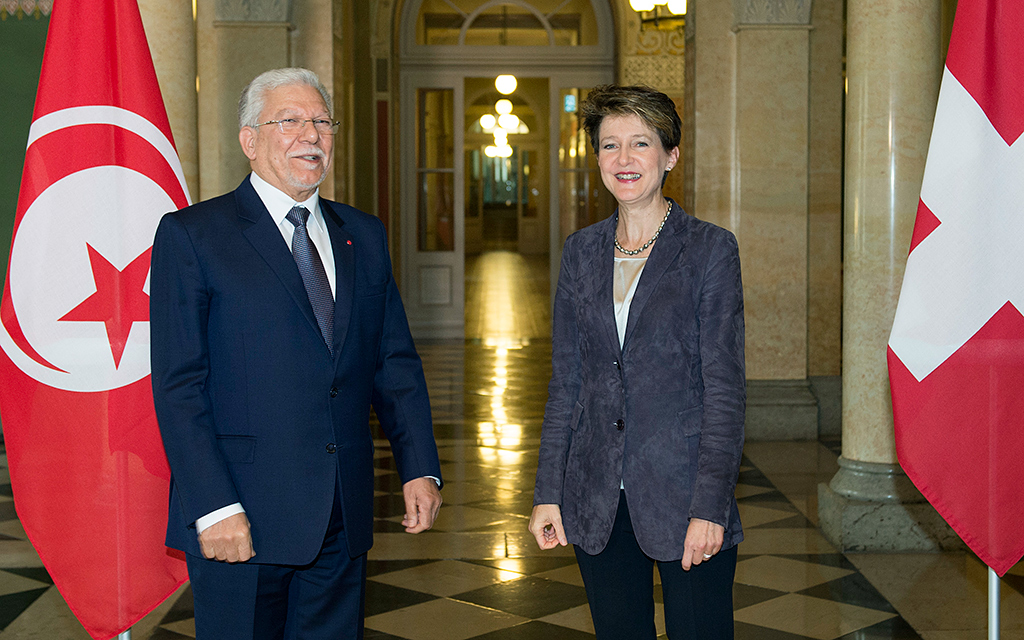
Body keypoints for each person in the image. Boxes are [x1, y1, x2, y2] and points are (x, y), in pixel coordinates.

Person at [150, 67, 442, 639]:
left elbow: (393, 362)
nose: (310, 135)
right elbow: (178, 385)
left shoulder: (364, 233)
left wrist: (420, 467)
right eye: (289, 121)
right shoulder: (194, 235)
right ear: (249, 139)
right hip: (242, 516)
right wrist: (212, 507)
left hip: (342, 511)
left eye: (321, 122)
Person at [528, 85, 745, 639]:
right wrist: (548, 492)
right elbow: (567, 383)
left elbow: (723, 390)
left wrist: (710, 507)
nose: (623, 160)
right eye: (609, 146)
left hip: (685, 493)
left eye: (640, 144)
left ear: (670, 156)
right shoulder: (580, 253)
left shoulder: (709, 250)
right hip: (597, 497)